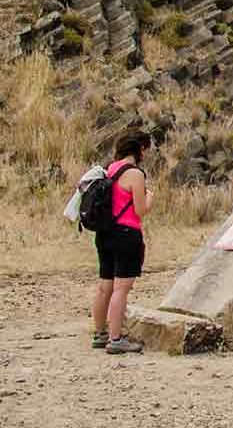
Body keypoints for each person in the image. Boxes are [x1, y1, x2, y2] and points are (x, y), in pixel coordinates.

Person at [91, 129, 152, 355]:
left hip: (105, 232)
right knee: (121, 288)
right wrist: (149, 198)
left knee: (104, 285)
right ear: (140, 149)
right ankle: (116, 339)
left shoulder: (110, 169)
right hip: (126, 233)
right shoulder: (135, 174)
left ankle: (100, 333)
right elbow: (140, 210)